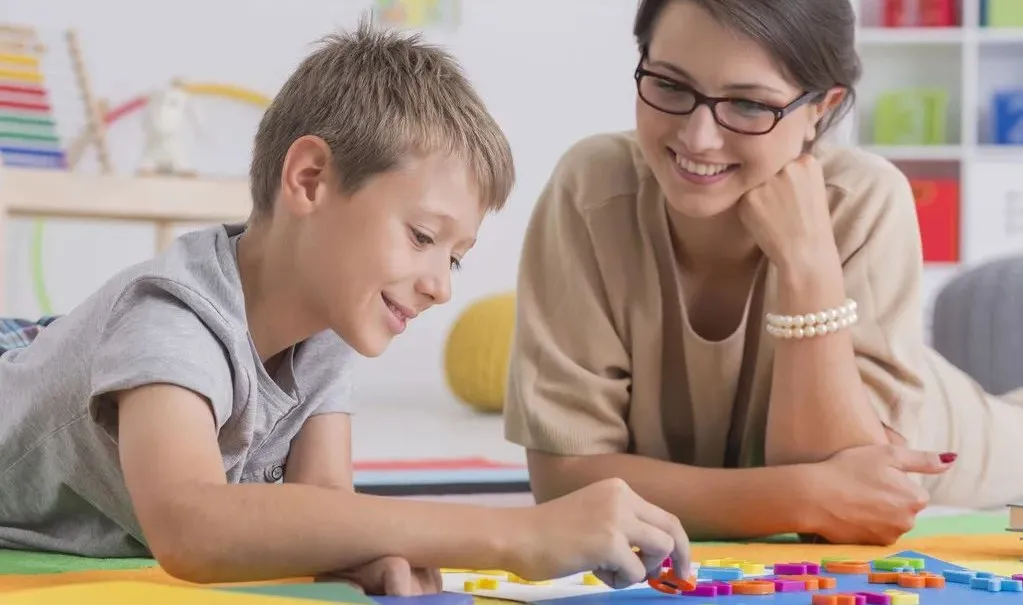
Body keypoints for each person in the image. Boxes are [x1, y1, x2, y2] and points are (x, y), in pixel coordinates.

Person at [0, 19, 690, 594]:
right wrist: (513, 533)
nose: (441, 285)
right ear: (308, 180)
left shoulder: (326, 325)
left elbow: (326, 505)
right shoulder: (172, 319)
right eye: (422, 236)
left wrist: (365, 552)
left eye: (452, 257)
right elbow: (191, 525)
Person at [504, 0, 1023, 548]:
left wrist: (807, 265)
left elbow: (839, 523)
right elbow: (564, 482)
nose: (698, 137)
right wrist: (806, 495)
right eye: (671, 86)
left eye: (750, 104)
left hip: (971, 434)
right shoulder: (593, 190)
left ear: (823, 108)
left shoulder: (861, 199)